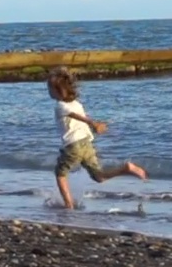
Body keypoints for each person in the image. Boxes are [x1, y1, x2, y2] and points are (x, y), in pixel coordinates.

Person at [47, 67, 147, 209]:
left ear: (59, 91)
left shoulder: (60, 106)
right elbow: (80, 117)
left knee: (60, 173)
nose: (49, 92)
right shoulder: (77, 103)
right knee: (99, 177)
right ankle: (126, 168)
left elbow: (75, 116)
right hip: (87, 144)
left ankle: (68, 205)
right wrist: (94, 126)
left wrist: (93, 123)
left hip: (73, 146)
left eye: (50, 89)